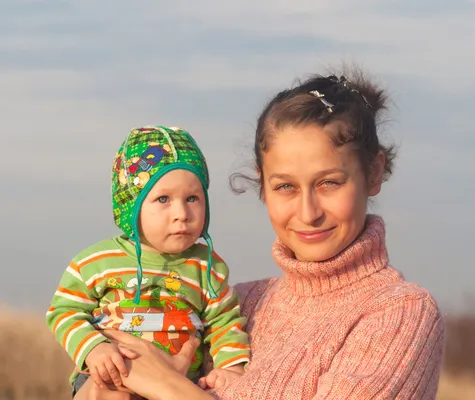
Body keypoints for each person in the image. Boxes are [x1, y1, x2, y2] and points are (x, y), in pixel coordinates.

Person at [75, 68, 445, 400]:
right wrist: (100, 389)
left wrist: (169, 387)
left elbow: (161, 382)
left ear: (374, 173)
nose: (308, 212)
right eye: (286, 187)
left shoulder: (400, 314)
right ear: (262, 184)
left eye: (329, 183)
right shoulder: (239, 304)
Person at [46, 126, 250, 397]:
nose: (182, 213)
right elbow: (63, 312)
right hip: (111, 375)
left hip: (179, 386)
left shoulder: (207, 267)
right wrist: (94, 348)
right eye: (163, 199)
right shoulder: (95, 262)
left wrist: (231, 368)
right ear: (131, 205)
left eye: (192, 198)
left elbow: (224, 322)